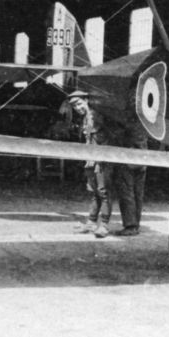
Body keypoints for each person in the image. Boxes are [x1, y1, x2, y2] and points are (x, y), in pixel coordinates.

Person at [67, 90, 113, 239]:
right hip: (90, 160)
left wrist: (100, 157)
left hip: (101, 160)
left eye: (79, 104)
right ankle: (91, 222)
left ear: (86, 100)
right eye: (74, 107)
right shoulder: (86, 118)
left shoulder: (96, 116)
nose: (77, 108)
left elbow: (107, 138)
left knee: (103, 192)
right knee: (94, 192)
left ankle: (104, 225)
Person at [112, 118, 148, 236]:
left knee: (126, 192)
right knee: (138, 193)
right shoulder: (144, 120)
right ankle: (135, 224)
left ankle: (130, 225)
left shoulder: (126, 120)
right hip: (142, 158)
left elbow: (119, 137)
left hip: (128, 158)